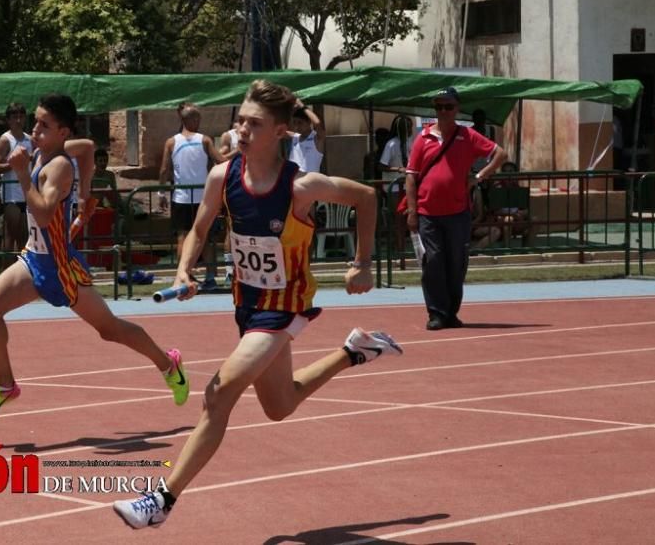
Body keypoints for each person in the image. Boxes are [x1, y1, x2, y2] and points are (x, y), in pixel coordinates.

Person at [112, 80, 402, 529]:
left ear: (281, 132)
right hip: (247, 308)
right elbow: (200, 227)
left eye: (255, 123)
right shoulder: (222, 176)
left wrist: (361, 263)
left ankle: (162, 500)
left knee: (218, 394)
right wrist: (184, 270)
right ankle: (354, 351)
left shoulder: (302, 186)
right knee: (279, 406)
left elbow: (367, 197)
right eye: (240, 120)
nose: (242, 129)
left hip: (284, 310)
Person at [0, 93, 190, 423]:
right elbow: (87, 148)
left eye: (44, 125)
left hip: (61, 268)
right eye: (36, 121)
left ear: (62, 132)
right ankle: (5, 386)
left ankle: (168, 363)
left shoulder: (57, 166)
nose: (35, 129)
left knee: (110, 329)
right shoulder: (53, 150)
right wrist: (86, 195)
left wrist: (20, 173)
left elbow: (43, 214)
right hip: (33, 261)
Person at [404, 87, 506, 331]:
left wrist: (478, 177)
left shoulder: (467, 135)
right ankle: (436, 313)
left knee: (457, 262)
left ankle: (451, 312)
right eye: (438, 107)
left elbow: (500, 154)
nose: (443, 111)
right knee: (434, 262)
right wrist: (411, 210)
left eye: (448, 106)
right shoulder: (423, 139)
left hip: (458, 212)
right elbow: (410, 176)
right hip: (428, 213)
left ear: (457, 108)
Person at [158, 103, 225, 289]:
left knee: (184, 236)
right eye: (198, 118)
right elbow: (220, 160)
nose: (199, 121)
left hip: (182, 198)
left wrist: (161, 192)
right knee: (206, 237)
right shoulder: (205, 140)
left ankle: (184, 276)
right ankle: (210, 277)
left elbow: (164, 170)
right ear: (191, 119)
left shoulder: (171, 142)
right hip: (203, 198)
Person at [0, 103, 32, 268]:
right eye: (14, 116)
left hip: (28, 192)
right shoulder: (5, 139)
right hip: (12, 194)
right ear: (8, 120)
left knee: (26, 237)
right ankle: (5, 272)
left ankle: (25, 273)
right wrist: (15, 164)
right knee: (9, 236)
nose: (18, 120)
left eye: (21, 116)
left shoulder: (30, 139)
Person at [380, 115, 415, 262]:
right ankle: (399, 251)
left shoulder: (412, 142)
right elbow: (381, 165)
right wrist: (398, 169)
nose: (410, 130)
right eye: (408, 127)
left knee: (411, 217)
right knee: (398, 219)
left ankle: (410, 250)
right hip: (393, 187)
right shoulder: (391, 144)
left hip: (408, 186)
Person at [287, 100, 326, 173]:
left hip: (309, 182)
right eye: (294, 123)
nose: (297, 126)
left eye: (300, 123)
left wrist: (302, 106)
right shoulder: (295, 137)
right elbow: (278, 129)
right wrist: (291, 111)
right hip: (293, 180)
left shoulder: (316, 138)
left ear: (309, 122)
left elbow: (317, 123)